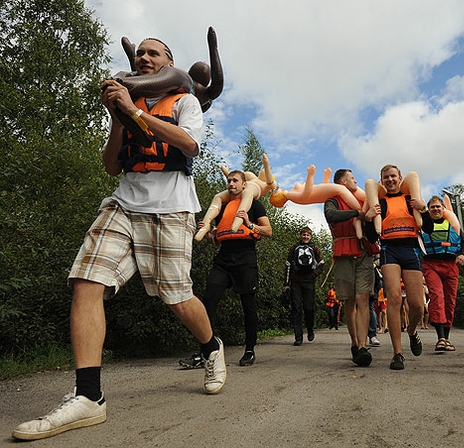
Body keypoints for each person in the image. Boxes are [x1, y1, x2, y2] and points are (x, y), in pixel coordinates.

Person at [12, 38, 226, 441]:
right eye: (139, 53)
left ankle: (211, 346)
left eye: (154, 53)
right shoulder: (125, 103)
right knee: (86, 281)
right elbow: (112, 165)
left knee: (176, 297)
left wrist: (134, 110)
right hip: (124, 203)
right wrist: (120, 117)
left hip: (171, 209)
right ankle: (89, 396)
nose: (144, 57)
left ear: (169, 64)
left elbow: (188, 144)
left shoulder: (185, 101)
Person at [185, 169, 272, 368]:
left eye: (235, 181)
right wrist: (209, 237)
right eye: (228, 180)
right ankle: (207, 350)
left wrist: (249, 223)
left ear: (244, 185)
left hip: (246, 258)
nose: (231, 183)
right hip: (224, 258)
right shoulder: (222, 208)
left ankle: (249, 350)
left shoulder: (254, 204)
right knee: (208, 300)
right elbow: (217, 239)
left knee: (247, 305)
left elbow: (268, 231)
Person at [364, 164, 434, 370]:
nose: (390, 180)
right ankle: (397, 353)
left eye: (393, 176)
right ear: (382, 181)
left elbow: (428, 228)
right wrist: (368, 219)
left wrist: (424, 209)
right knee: (394, 298)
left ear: (400, 178)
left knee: (417, 305)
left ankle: (412, 331)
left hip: (411, 250)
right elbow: (370, 237)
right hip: (389, 250)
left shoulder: (410, 199)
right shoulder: (380, 204)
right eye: (386, 177)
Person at [323, 169, 375, 367]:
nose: (356, 181)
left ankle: (362, 346)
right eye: (353, 178)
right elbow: (331, 215)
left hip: (363, 252)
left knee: (363, 296)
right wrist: (357, 213)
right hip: (344, 252)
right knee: (349, 300)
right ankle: (354, 342)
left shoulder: (363, 198)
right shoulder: (332, 199)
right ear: (343, 182)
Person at [421, 195, 464, 352]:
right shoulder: (423, 225)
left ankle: (446, 338)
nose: (435, 209)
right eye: (432, 207)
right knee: (436, 296)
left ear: (443, 209)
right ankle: (440, 338)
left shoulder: (453, 224)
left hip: (451, 265)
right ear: (429, 210)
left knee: (450, 300)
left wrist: (463, 254)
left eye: (438, 207)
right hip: (431, 264)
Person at [284, 227, 324, 345]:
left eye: (307, 235)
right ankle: (298, 337)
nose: (305, 237)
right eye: (303, 234)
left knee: (309, 308)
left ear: (310, 236)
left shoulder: (315, 248)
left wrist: (314, 275)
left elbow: (321, 264)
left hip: (309, 282)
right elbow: (287, 265)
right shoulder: (293, 248)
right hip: (296, 282)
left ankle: (310, 329)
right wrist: (286, 284)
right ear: (300, 235)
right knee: (296, 308)